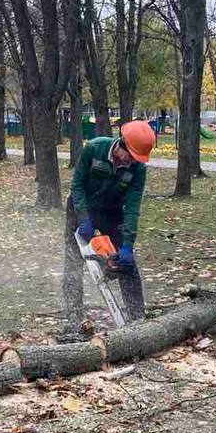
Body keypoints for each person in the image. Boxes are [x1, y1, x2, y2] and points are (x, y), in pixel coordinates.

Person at [62, 120, 156, 333]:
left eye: (136, 159)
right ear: (122, 145)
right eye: (131, 156)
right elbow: (77, 185)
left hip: (112, 213)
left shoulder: (138, 170)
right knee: (73, 263)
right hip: (80, 208)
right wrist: (83, 218)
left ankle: (137, 319)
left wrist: (128, 244)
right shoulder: (94, 149)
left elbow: (132, 207)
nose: (132, 162)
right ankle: (73, 317)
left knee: (126, 265)